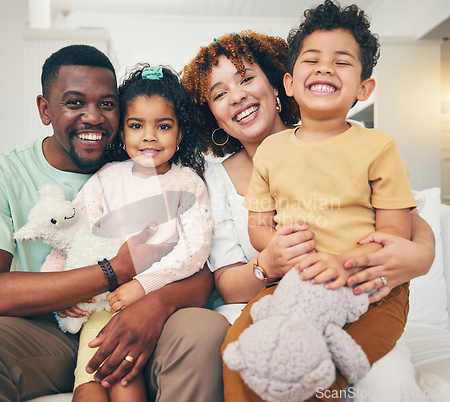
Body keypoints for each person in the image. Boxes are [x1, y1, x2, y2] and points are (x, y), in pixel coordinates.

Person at [0, 44, 230, 402]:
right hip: (52, 329)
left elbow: (199, 263)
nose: (94, 117)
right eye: (74, 102)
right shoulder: (1, 175)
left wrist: (151, 304)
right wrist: (114, 270)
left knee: (203, 330)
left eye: (107, 104)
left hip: (148, 313)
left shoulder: (160, 171)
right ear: (44, 109)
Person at [181, 29, 435, 401]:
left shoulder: (348, 142)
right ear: (212, 116)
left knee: (379, 375)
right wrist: (268, 261)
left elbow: (402, 223)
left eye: (247, 78)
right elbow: (227, 282)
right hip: (281, 298)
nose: (237, 96)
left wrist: (421, 252)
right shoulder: (211, 180)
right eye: (219, 94)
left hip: (359, 292)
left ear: (278, 85)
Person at [41, 64, 213, 401]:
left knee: (123, 382)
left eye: (163, 126)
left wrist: (142, 285)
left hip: (156, 308)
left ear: (180, 135)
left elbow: (195, 250)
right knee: (90, 384)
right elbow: (70, 234)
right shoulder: (106, 179)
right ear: (122, 133)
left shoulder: (187, 183)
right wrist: (58, 289)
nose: (149, 136)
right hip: (102, 306)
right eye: (136, 125)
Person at [244, 0, 415, 292]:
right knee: (243, 335)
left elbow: (396, 234)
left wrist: (342, 262)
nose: (324, 68)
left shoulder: (379, 147)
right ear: (289, 84)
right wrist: (280, 247)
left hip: (368, 284)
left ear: (364, 88)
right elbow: (259, 226)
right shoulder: (270, 151)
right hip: (296, 281)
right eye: (311, 60)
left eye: (342, 62)